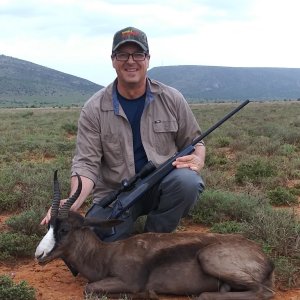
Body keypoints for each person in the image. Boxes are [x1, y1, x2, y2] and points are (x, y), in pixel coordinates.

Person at [41, 26, 205, 241]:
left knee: (187, 182)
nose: (130, 61)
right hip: (117, 194)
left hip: (162, 185)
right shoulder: (94, 108)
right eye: (122, 54)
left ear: (147, 59)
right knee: (96, 247)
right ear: (113, 59)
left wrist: (198, 159)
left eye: (138, 54)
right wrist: (72, 201)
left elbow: (195, 142)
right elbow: (86, 164)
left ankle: (155, 239)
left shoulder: (172, 98)